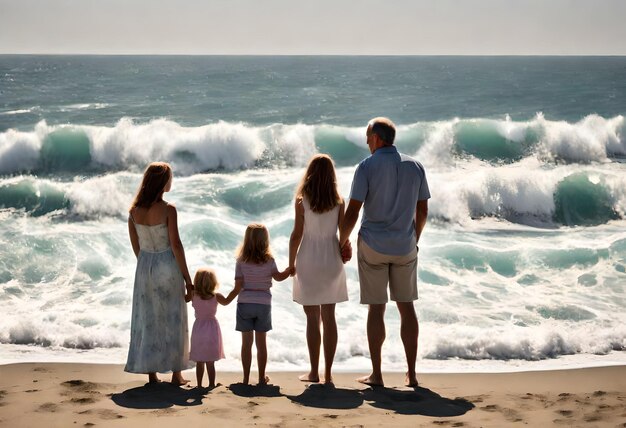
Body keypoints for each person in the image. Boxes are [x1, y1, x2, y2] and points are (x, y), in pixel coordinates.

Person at [339, 117, 430, 387]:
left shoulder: (366, 167)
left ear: (377, 138)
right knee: (407, 308)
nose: (367, 142)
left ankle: (377, 375)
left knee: (376, 309)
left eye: (368, 137)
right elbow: (422, 210)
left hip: (374, 246)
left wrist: (341, 241)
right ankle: (411, 374)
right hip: (404, 245)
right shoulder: (415, 166)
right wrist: (415, 238)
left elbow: (354, 210)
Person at [125, 162, 193, 385]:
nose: (171, 182)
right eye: (169, 178)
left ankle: (152, 374)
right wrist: (188, 279)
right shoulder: (168, 209)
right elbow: (176, 244)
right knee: (173, 317)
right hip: (167, 264)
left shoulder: (133, 212)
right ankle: (176, 373)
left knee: (148, 318)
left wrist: (147, 265)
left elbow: (137, 247)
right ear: (162, 182)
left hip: (145, 266)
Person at [288, 154, 348, 384]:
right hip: (331, 260)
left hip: (308, 260)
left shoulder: (302, 201)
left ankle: (314, 372)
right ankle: (329, 374)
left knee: (312, 318)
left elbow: (296, 235)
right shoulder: (339, 201)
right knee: (329, 316)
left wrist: (291, 262)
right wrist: (345, 250)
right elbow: (343, 235)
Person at [224, 224, 291, 385]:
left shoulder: (241, 261)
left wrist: (226, 300)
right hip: (263, 305)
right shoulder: (269, 261)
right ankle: (261, 378)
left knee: (246, 344)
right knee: (261, 344)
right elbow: (278, 277)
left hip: (245, 304)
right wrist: (289, 270)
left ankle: (246, 379)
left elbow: (238, 286)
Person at [189, 268, 227, 388]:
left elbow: (183, 298)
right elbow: (227, 301)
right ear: (213, 282)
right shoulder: (216, 296)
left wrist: (189, 286)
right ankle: (211, 384)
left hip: (198, 329)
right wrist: (237, 289)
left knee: (199, 362)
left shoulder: (193, 295)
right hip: (212, 329)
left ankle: (199, 385)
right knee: (210, 362)